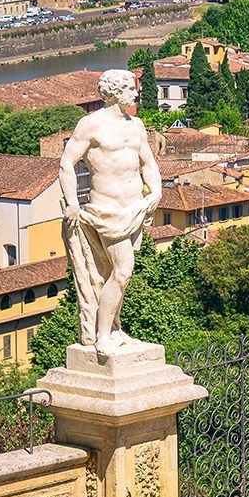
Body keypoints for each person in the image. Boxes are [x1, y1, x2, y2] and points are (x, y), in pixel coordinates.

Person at [58, 69, 162, 359]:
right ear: (115, 92)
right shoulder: (91, 125)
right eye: (129, 88)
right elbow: (67, 163)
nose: (135, 93)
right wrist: (72, 203)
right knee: (123, 271)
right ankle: (101, 335)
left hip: (134, 209)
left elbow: (148, 163)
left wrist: (156, 191)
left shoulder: (137, 125)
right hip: (106, 211)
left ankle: (114, 328)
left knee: (113, 275)